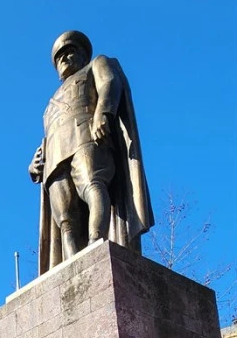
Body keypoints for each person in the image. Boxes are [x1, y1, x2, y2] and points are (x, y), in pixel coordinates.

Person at [29, 30, 153, 274]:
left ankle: (97, 241)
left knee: (93, 185)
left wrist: (103, 113)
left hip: (88, 136)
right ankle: (72, 266)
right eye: (59, 57)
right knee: (65, 217)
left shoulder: (97, 64)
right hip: (55, 157)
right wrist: (34, 165)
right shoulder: (48, 105)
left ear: (83, 55)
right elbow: (46, 138)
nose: (64, 59)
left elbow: (109, 83)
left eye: (70, 52)